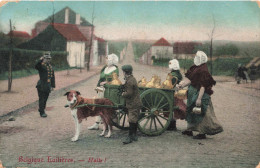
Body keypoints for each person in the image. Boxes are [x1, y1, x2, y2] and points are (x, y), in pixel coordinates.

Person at [176, 51, 223, 139]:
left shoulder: (203, 70)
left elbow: (203, 86)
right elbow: (190, 80)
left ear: (201, 59)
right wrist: (182, 85)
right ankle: (189, 130)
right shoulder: (195, 68)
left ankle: (202, 133)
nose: (195, 58)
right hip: (192, 94)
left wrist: (199, 98)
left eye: (197, 57)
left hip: (200, 95)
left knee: (201, 113)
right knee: (191, 111)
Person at [88, 54, 119, 130]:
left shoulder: (115, 69)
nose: (106, 60)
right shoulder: (105, 68)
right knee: (97, 103)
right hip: (101, 89)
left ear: (112, 60)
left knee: (99, 105)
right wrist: (98, 87)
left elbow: (116, 80)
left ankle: (98, 123)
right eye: (107, 59)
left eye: (108, 59)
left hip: (109, 89)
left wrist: (106, 82)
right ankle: (97, 123)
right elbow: (100, 78)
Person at [121, 65, 142, 144]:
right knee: (134, 119)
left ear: (125, 72)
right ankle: (134, 135)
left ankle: (129, 137)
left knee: (131, 120)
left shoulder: (130, 81)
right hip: (135, 102)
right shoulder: (131, 79)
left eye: (123, 71)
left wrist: (123, 94)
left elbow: (129, 93)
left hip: (133, 103)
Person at [167, 59, 186, 130]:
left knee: (172, 108)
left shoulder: (172, 75)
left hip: (172, 94)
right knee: (174, 109)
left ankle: (171, 125)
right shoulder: (179, 74)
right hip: (178, 93)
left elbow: (169, 85)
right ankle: (173, 124)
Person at [35, 52, 55, 118]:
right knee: (41, 99)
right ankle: (42, 112)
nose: (48, 60)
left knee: (45, 99)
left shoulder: (50, 66)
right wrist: (40, 60)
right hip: (41, 85)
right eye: (47, 58)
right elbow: (36, 66)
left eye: (49, 58)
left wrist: (52, 86)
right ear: (44, 59)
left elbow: (52, 76)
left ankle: (41, 109)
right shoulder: (41, 65)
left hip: (47, 85)